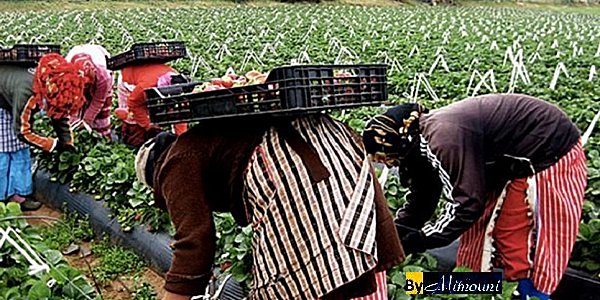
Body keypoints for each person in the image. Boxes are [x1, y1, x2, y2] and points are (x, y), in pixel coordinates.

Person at [134, 114, 405, 300]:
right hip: (333, 150)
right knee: (345, 270)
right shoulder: (204, 143)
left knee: (304, 280)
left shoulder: (174, 163)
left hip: (297, 171)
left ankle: (444, 284)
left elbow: (195, 242)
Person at [362, 94, 587, 300]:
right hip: (504, 164)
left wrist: (420, 240)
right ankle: (473, 288)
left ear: (397, 141)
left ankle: (530, 293)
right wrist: (397, 234)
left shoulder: (442, 136)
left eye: (385, 157)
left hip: (545, 150)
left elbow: (467, 205)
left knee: (517, 234)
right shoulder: (417, 147)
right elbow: (423, 197)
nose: (388, 164)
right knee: (479, 231)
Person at [0, 53, 87, 210]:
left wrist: (67, 142)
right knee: (3, 153)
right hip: (2, 104)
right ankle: (1, 198)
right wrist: (52, 145)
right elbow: (23, 132)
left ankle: (18, 196)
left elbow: (58, 113)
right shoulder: (28, 92)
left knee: (20, 151)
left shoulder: (52, 86)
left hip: (10, 101)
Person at [116, 62, 189, 147]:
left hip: (148, 77)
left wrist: (181, 140)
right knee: (134, 125)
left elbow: (180, 114)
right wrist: (148, 126)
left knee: (159, 110)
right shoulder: (146, 87)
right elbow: (133, 103)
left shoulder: (177, 82)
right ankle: (128, 134)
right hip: (129, 79)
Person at [66, 45, 114, 138]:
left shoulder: (103, 76)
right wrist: (74, 123)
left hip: (100, 66)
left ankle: (104, 136)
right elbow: (70, 101)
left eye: (88, 84)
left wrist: (86, 121)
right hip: (72, 82)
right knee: (74, 115)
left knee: (102, 114)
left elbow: (98, 101)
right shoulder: (65, 75)